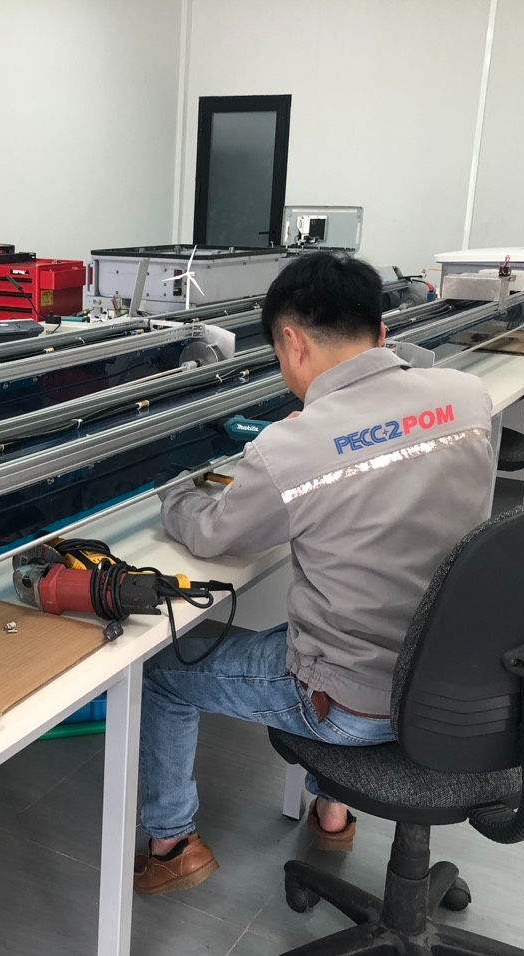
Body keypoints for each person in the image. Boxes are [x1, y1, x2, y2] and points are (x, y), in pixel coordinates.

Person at [134, 251, 495, 896]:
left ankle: (173, 843)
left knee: (162, 671)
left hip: (354, 705)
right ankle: (333, 814)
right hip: (456, 685)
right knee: (336, 608)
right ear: (381, 331)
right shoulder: (468, 398)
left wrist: (174, 493)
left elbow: (215, 535)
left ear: (293, 342)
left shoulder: (292, 446)